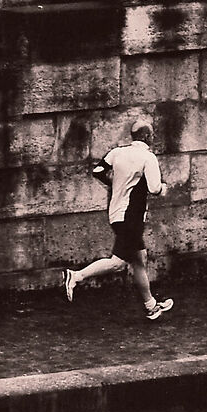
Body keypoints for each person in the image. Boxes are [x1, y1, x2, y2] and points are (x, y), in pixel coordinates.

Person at [63, 120, 173, 320]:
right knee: (117, 263)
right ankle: (76, 276)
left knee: (140, 259)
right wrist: (165, 188)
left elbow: (97, 171)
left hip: (116, 214)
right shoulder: (148, 158)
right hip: (131, 217)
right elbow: (155, 188)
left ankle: (151, 306)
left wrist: (113, 183)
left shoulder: (117, 152)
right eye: (152, 134)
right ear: (147, 137)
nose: (153, 137)